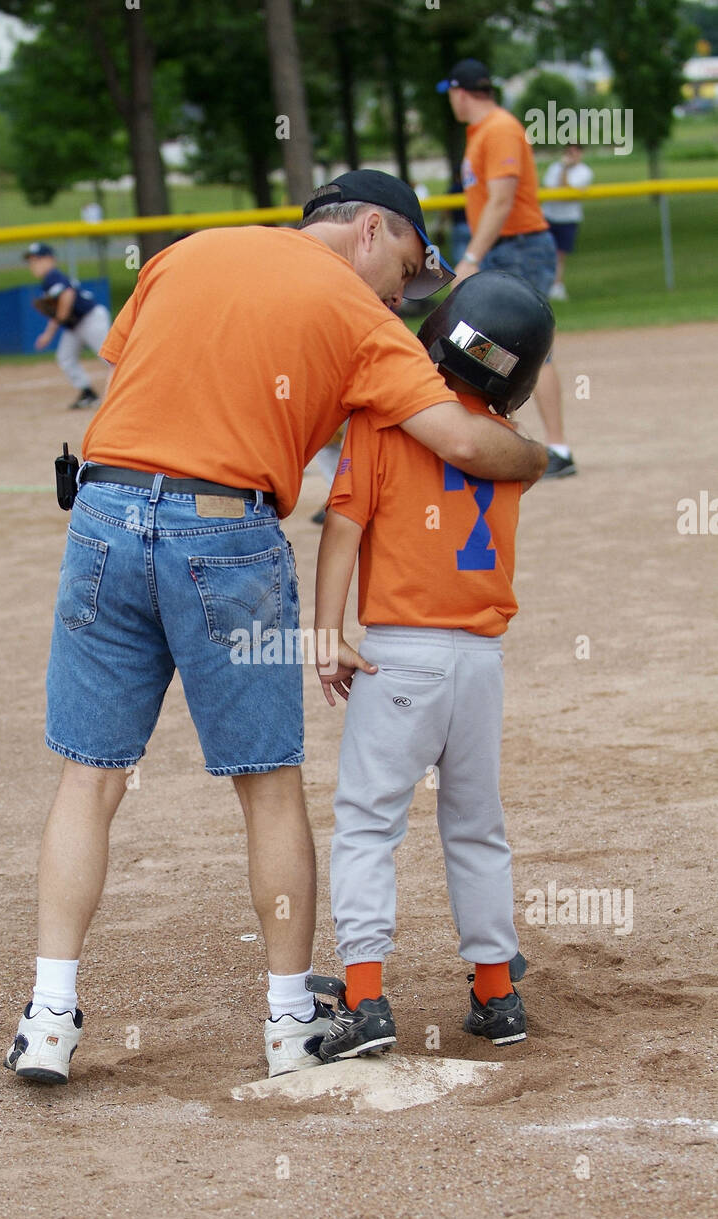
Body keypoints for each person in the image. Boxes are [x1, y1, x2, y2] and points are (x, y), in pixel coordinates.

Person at [4, 171, 548, 1088]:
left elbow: (127, 368)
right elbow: (463, 442)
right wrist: (539, 456)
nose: (399, 295)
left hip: (101, 516)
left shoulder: (189, 252)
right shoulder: (361, 317)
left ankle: (48, 1018)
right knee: (266, 786)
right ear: (370, 229)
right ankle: (291, 1019)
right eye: (407, 269)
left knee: (89, 778)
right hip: (223, 533)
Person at [309, 271, 555, 1058]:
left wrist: (327, 631)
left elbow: (342, 531)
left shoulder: (384, 422)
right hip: (480, 661)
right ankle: (497, 995)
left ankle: (367, 999)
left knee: (367, 825)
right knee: (476, 827)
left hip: (400, 658)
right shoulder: (509, 450)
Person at [437, 58, 576, 479]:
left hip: (517, 247)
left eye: (451, 93)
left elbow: (501, 199)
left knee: (532, 348)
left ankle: (557, 448)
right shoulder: (483, 131)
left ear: (461, 92)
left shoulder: (498, 128)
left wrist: (472, 257)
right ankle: (494, 432)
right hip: (505, 248)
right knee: (478, 343)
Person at [22, 242, 111, 409]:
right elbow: (61, 305)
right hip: (76, 324)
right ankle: (88, 394)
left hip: (90, 318)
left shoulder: (52, 276)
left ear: (51, 259)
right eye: (31, 261)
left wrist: (58, 320)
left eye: (38, 260)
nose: (34, 265)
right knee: (65, 356)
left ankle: (138, 387)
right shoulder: (48, 281)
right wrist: (49, 332)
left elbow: (67, 294)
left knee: (109, 357)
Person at [541, 144, 593, 300]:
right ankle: (547, 285)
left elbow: (567, 192)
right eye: (569, 151)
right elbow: (550, 188)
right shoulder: (554, 167)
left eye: (576, 151)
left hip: (568, 218)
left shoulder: (585, 171)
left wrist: (564, 169)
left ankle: (556, 286)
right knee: (545, 252)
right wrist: (562, 168)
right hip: (549, 216)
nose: (572, 155)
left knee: (560, 254)